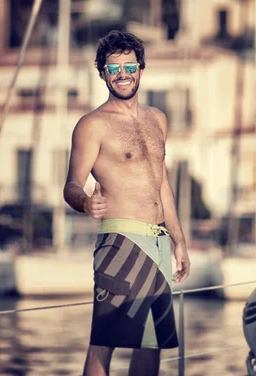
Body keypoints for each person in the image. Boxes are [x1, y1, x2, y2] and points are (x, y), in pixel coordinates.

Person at [63, 30, 191, 376]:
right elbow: (72, 184)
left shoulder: (157, 119)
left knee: (152, 343)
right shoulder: (92, 125)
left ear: (141, 68)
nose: (123, 74)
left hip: (158, 241)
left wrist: (178, 238)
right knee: (104, 341)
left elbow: (161, 182)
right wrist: (86, 203)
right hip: (121, 242)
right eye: (114, 68)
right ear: (103, 72)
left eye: (129, 66)